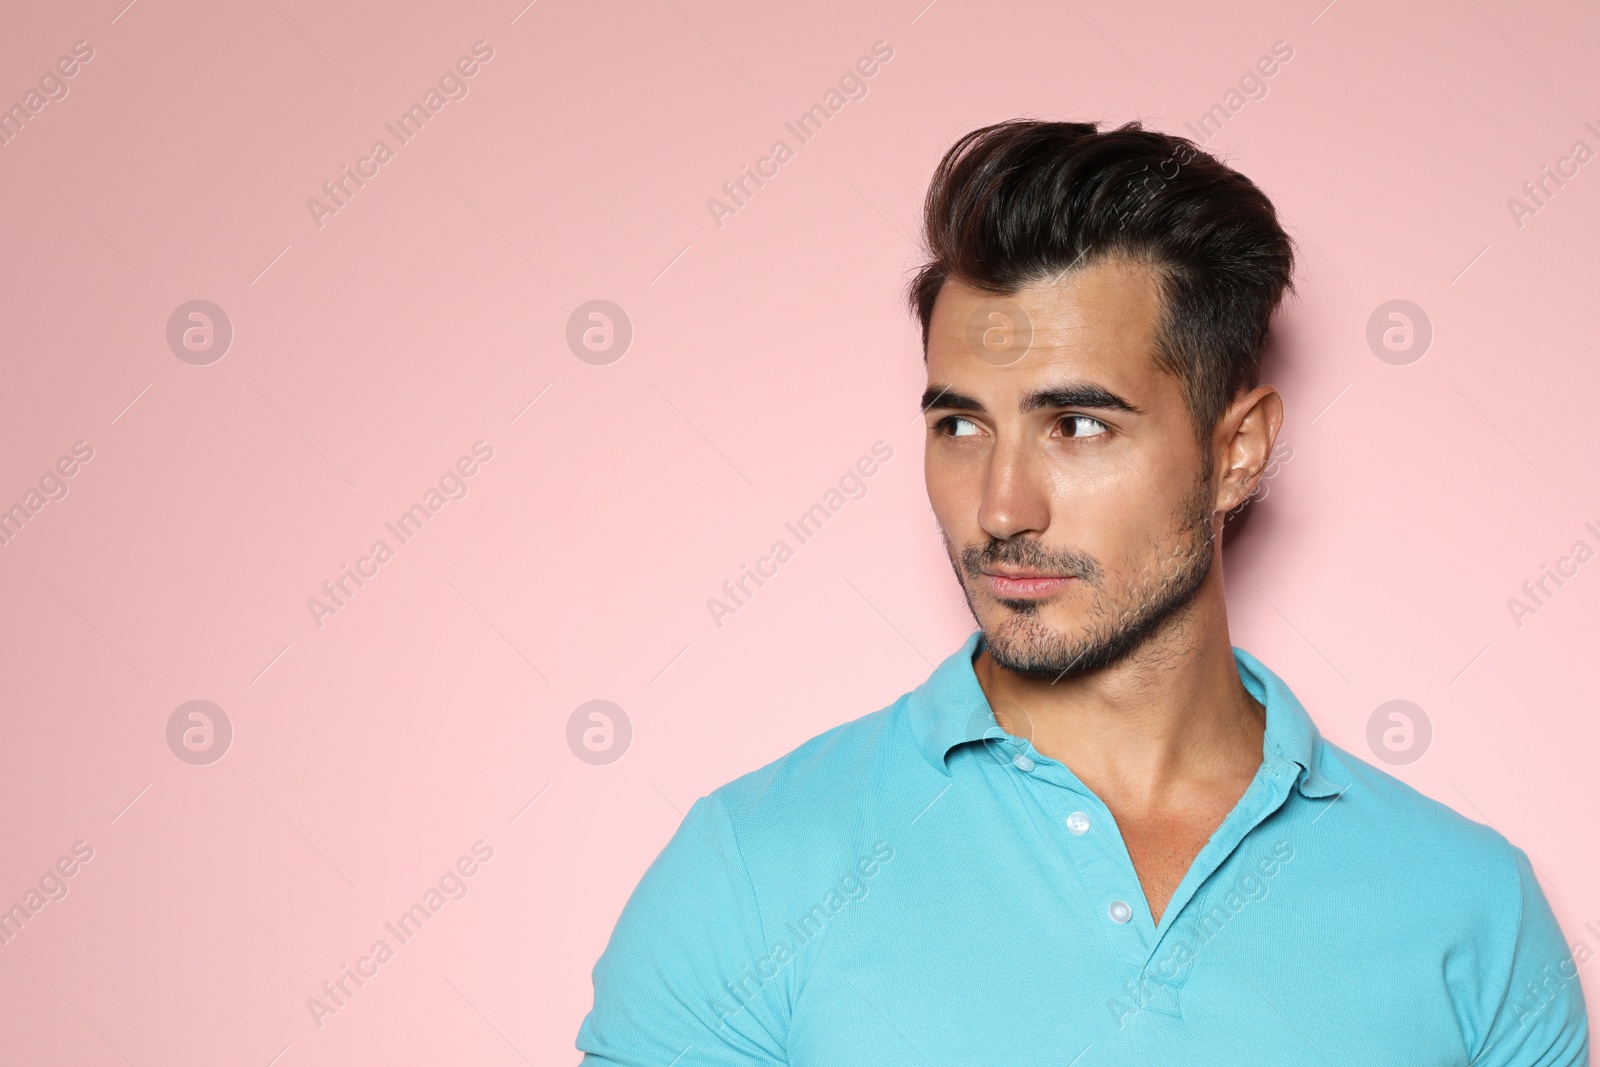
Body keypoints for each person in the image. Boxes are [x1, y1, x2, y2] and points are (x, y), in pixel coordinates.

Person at [574, 119, 1590, 1065]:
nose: (1001, 508)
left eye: (1078, 425)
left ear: (1235, 452)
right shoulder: (752, 873)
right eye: (961, 426)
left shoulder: (1469, 908)